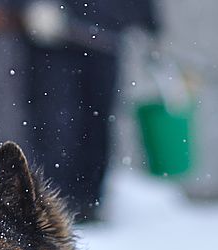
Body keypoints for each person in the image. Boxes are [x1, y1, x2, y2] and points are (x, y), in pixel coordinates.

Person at [17, 0, 160, 223]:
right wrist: (28, 7)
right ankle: (52, 206)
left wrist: (149, 24)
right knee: (55, 126)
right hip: (53, 41)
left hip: (105, 34)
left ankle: (89, 203)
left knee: (97, 123)